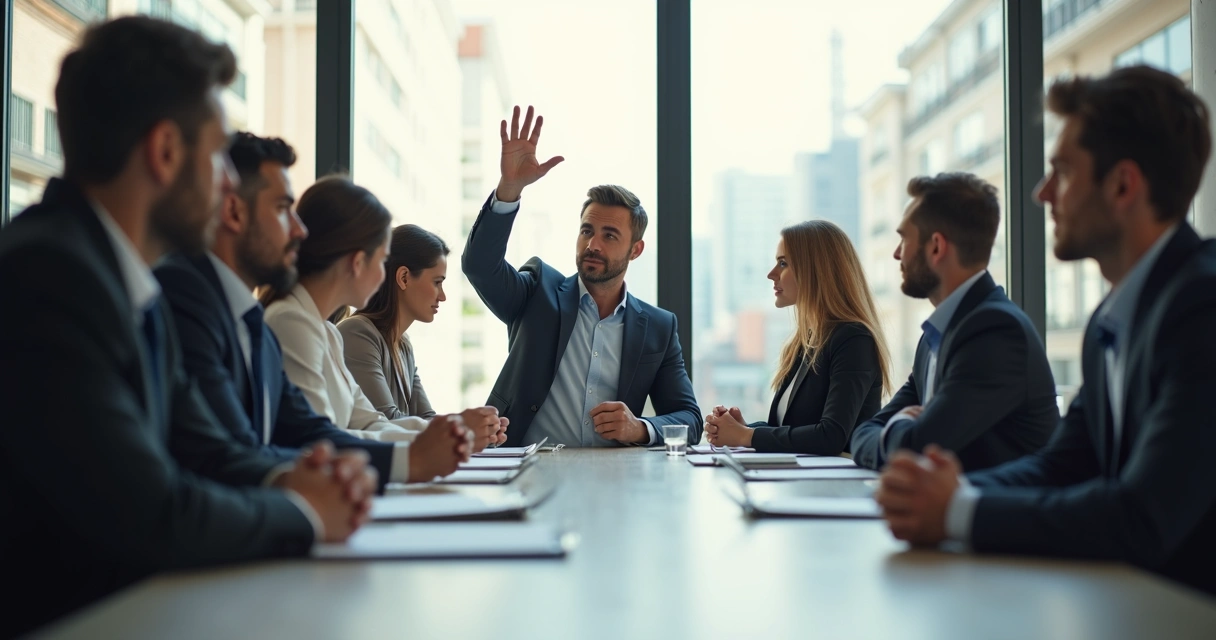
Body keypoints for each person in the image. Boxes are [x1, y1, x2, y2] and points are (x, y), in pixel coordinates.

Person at [0, 18, 374, 636]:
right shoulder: (49, 276)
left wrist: (290, 477)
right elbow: (151, 510)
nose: (229, 182)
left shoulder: (128, 281)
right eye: (217, 156)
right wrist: (305, 513)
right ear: (167, 152)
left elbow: (205, 447)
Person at [873, 66, 1216, 595]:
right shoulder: (1110, 322)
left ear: (1123, 184)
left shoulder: (1203, 308)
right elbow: (1062, 465)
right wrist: (938, 495)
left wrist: (961, 509)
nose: (1042, 193)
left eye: (1062, 171)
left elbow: (1143, 515)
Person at [155, 132, 469, 486]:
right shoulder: (277, 319)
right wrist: (411, 458)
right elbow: (245, 454)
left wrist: (422, 450)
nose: (298, 230)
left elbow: (322, 428)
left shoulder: (273, 323)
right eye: (281, 209)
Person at [463, 105, 701, 447]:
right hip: (529, 474)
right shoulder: (536, 293)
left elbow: (689, 418)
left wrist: (639, 427)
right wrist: (509, 189)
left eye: (609, 235)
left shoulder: (659, 328)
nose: (593, 244)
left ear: (635, 250)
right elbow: (479, 265)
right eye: (586, 230)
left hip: (611, 482)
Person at [261, 176, 503, 451]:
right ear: (357, 261)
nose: (382, 274)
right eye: (381, 260)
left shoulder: (327, 332)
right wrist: (452, 434)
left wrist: (458, 431)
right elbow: (321, 440)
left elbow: (369, 423)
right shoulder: (295, 322)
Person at [850, 172, 1058, 472]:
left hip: (991, 515)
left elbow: (917, 450)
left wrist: (896, 430)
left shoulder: (995, 331)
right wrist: (899, 429)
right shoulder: (936, 334)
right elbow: (862, 433)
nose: (897, 254)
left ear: (936, 247)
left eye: (903, 239)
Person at [703, 221, 891, 454]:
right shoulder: (805, 341)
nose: (772, 274)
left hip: (837, 486)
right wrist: (742, 429)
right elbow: (791, 429)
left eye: (783, 263)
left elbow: (831, 436)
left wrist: (747, 436)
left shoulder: (853, 339)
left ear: (815, 270)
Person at [337, 224, 509, 445]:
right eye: (437, 282)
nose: (443, 296)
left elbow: (426, 418)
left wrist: (479, 431)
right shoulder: (357, 333)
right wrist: (464, 430)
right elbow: (385, 421)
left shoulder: (403, 345)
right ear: (404, 278)